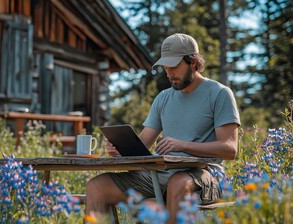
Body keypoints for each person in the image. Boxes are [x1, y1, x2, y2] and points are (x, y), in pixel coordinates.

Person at [85, 33, 241, 223]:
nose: (169, 73)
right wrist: (120, 150)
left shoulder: (220, 94)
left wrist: (182, 145)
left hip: (205, 175)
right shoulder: (163, 98)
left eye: (174, 67)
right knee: (97, 186)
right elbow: (142, 146)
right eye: (166, 67)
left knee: (178, 183)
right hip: (160, 174)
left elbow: (230, 149)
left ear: (193, 63)